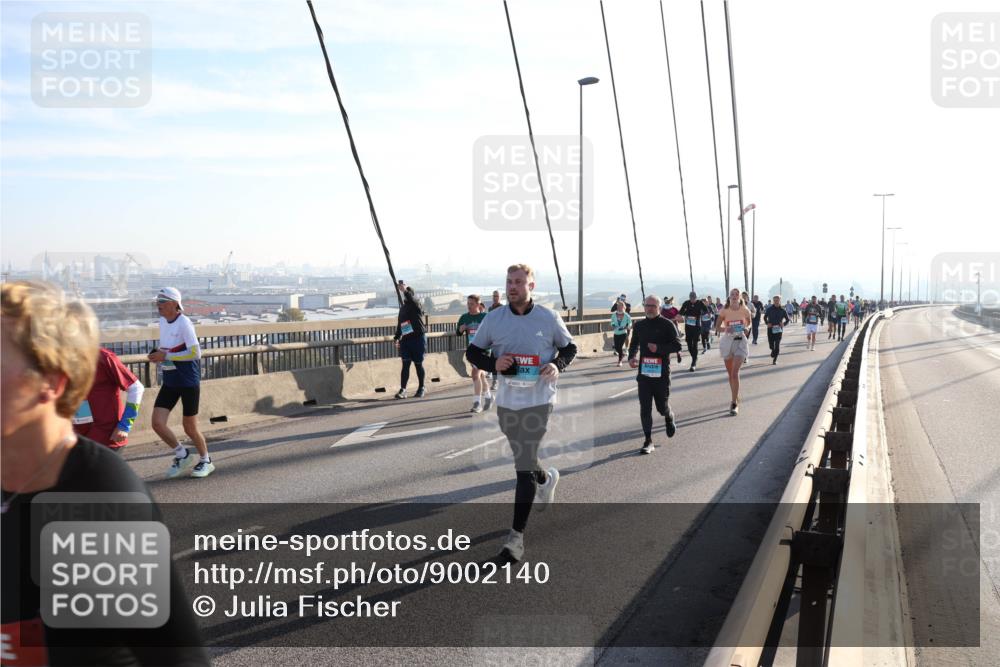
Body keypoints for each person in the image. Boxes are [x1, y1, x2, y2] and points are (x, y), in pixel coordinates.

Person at [1, 281, 210, 666]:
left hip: (107, 435)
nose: (159, 306)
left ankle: (196, 455)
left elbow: (177, 658)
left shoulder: (99, 497)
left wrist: (126, 424)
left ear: (50, 381)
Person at [466, 264, 576, 562]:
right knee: (524, 458)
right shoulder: (494, 318)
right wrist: (493, 365)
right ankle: (545, 479)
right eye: (509, 282)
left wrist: (557, 365)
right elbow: (473, 352)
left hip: (540, 400)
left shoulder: (547, 317)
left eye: (519, 282)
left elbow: (569, 348)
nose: (513, 286)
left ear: (531, 286)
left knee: (523, 463)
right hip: (508, 401)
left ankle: (515, 538)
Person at [149, 287, 214, 479]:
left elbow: (196, 353)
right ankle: (182, 454)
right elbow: (167, 346)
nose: (157, 305)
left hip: (187, 381)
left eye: (161, 302)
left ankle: (206, 461)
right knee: (157, 424)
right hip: (170, 379)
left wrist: (167, 355)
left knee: (190, 427)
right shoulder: (162, 321)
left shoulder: (184, 323)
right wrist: (157, 354)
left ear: (173, 304)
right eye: (157, 301)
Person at [628, 295, 681, 454]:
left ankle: (668, 415)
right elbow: (634, 344)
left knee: (661, 407)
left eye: (652, 306)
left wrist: (658, 348)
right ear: (644, 307)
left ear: (659, 307)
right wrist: (631, 357)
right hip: (644, 374)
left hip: (662, 374)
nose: (649, 308)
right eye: (647, 305)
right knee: (645, 408)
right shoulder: (639, 325)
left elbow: (677, 345)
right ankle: (648, 441)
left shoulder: (667, 324)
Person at [72, 348, 144, 452]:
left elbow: (136, 388)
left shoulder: (104, 357)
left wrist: (125, 426)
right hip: (76, 437)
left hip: (106, 436)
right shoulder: (60, 358)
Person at [715, 288, 752, 415]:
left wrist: (747, 328)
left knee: (735, 373)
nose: (735, 296)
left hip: (740, 341)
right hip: (727, 342)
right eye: (732, 294)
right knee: (730, 374)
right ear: (729, 297)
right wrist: (726, 328)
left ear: (740, 297)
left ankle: (734, 403)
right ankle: (735, 397)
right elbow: (717, 327)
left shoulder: (744, 309)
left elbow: (749, 323)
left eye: (737, 294)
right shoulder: (724, 310)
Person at [458, 294, 491, 412]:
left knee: (475, 374)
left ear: (478, 304)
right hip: (472, 351)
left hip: (484, 350)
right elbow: (458, 333)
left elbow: (493, 332)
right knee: (481, 375)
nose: (469, 306)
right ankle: (488, 396)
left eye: (471, 304)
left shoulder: (485, 317)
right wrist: (460, 329)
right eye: (468, 304)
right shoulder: (464, 317)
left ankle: (477, 403)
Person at [393, 286, 427, 399]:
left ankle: (422, 387)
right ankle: (403, 390)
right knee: (405, 365)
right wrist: (397, 337)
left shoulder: (416, 304)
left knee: (418, 364)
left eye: (407, 294)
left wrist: (405, 290)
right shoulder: (403, 308)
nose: (405, 295)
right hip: (406, 339)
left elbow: (412, 299)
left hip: (418, 338)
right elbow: (400, 323)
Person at [678, 290, 709, 372]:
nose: (692, 300)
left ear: (696, 298)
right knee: (689, 344)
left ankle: (693, 363)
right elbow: (680, 312)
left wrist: (702, 314)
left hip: (697, 326)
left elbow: (706, 311)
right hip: (688, 326)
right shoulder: (686, 303)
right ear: (689, 298)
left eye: (694, 298)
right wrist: (681, 315)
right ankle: (694, 357)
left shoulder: (699, 303)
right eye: (691, 298)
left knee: (694, 344)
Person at [763, 295, 791, 365]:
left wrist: (783, 324)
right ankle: (772, 350)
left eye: (777, 300)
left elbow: (787, 320)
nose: (776, 301)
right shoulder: (769, 309)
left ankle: (775, 359)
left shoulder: (783, 310)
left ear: (779, 301)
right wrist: (767, 323)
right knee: (771, 345)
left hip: (779, 329)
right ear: (773, 301)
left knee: (777, 344)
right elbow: (764, 317)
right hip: (770, 328)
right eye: (775, 300)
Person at [610, 300, 632, 367]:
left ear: (624, 307)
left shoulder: (626, 315)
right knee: (616, 347)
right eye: (618, 306)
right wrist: (613, 325)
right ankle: (621, 354)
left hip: (623, 333)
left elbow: (630, 323)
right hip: (616, 333)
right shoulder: (614, 315)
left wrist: (626, 327)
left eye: (621, 306)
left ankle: (620, 361)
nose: (619, 307)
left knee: (619, 346)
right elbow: (612, 322)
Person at [661, 297, 683, 364]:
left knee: (671, 343)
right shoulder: (665, 309)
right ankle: (676, 354)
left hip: (670, 329)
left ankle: (676, 354)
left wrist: (672, 320)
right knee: (672, 343)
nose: (667, 303)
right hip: (669, 329)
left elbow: (680, 318)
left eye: (668, 302)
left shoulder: (671, 309)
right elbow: (680, 318)